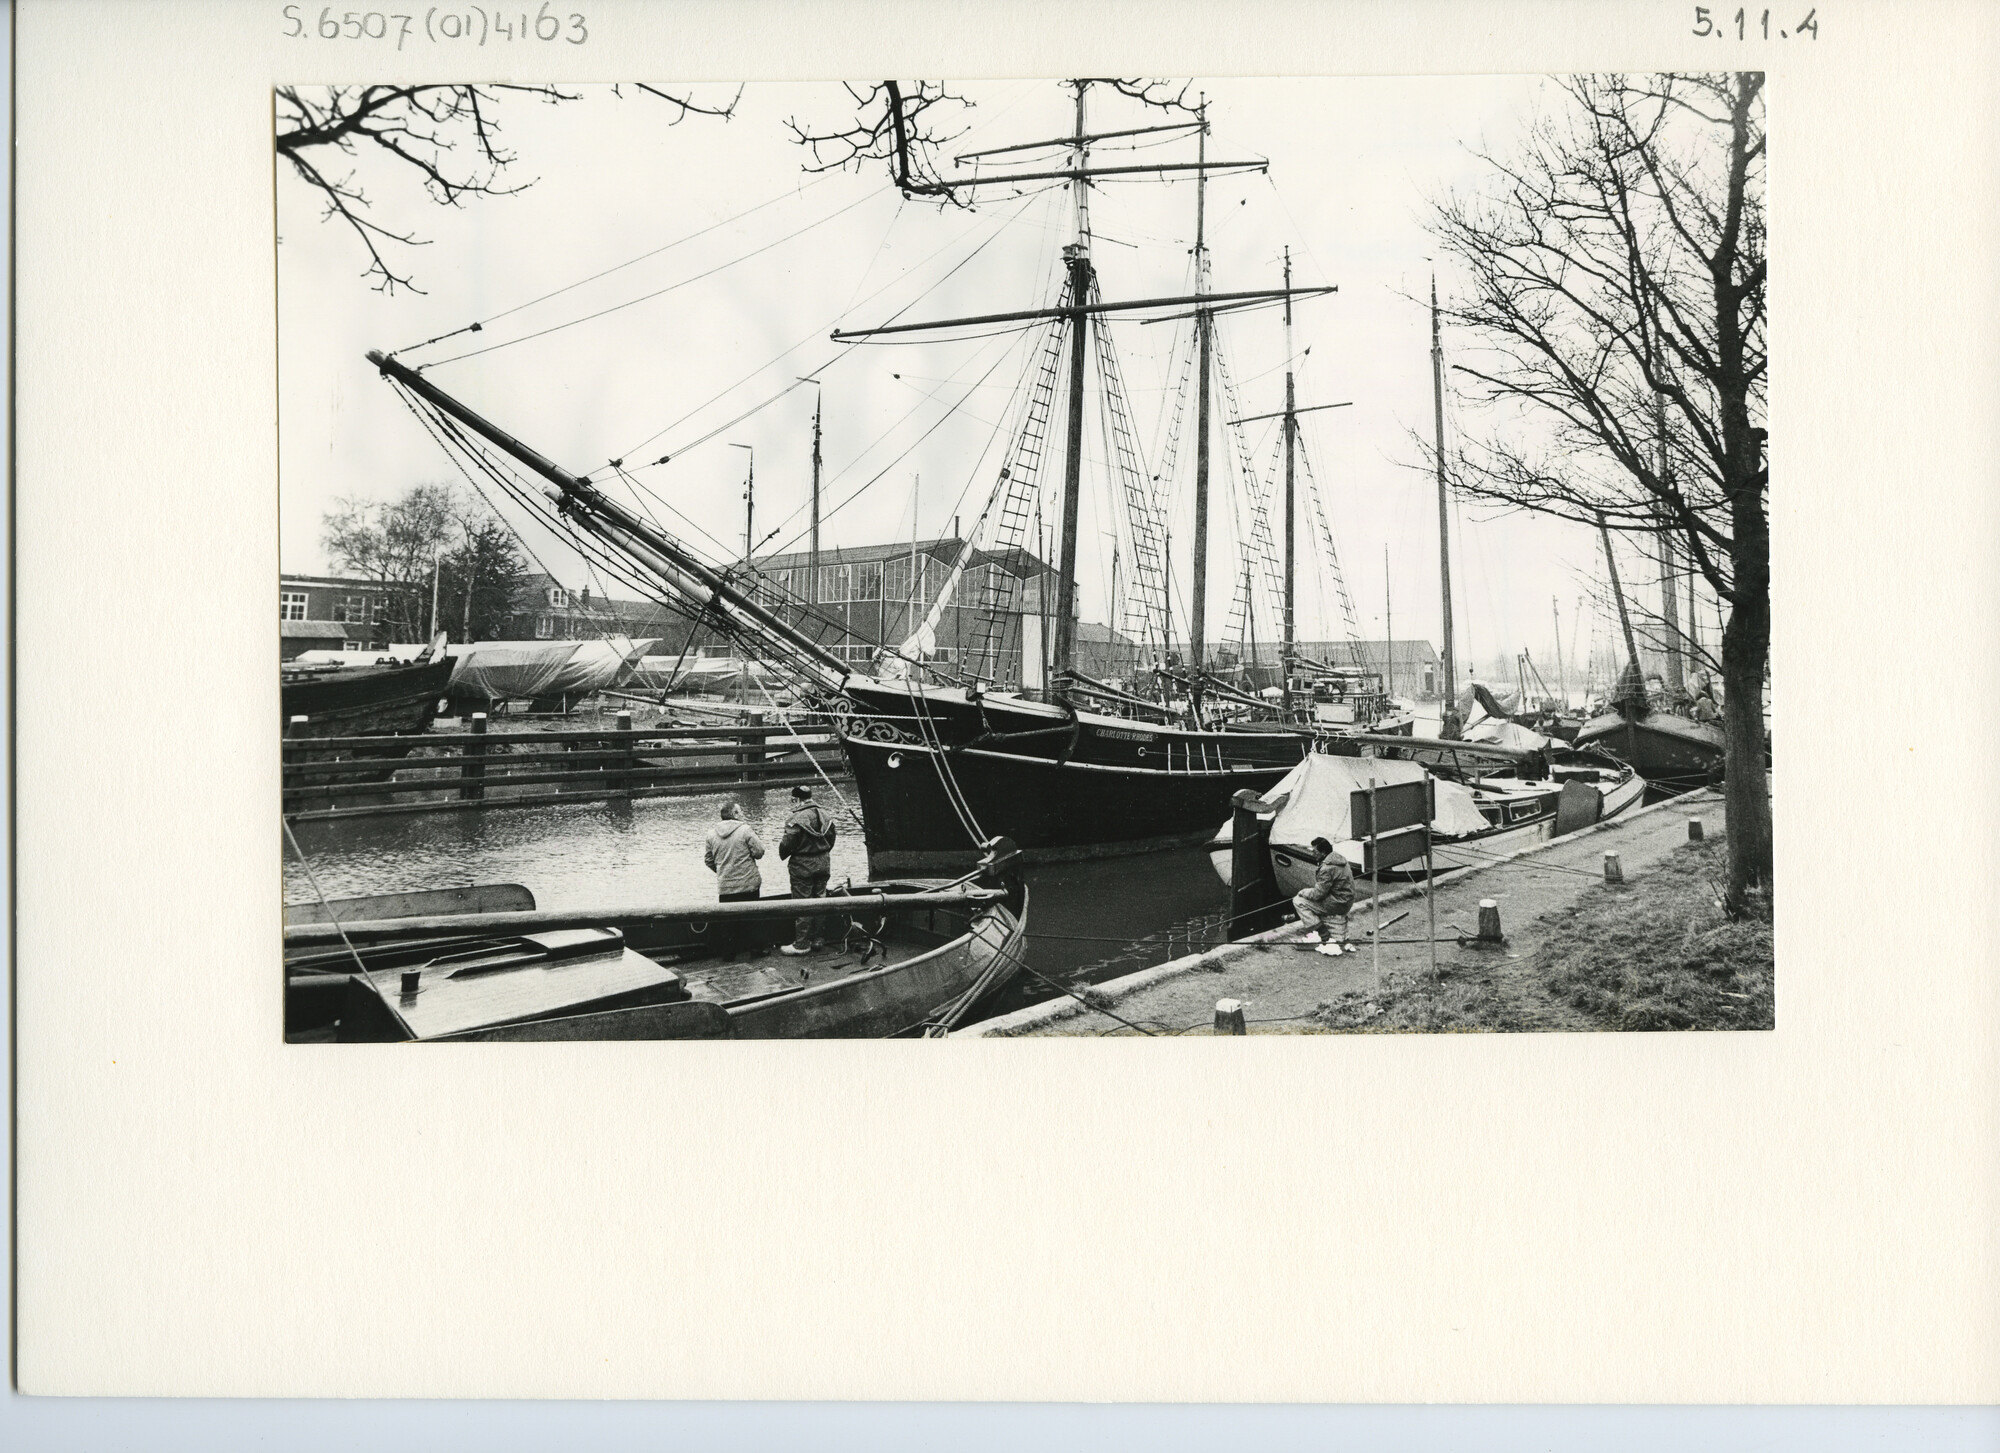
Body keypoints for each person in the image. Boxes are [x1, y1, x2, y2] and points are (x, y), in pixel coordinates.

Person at [777, 784, 838, 955]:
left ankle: (802, 944)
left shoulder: (795, 819)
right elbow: (832, 839)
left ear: (796, 799)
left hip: (802, 865)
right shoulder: (826, 814)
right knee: (820, 900)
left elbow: (787, 843)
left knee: (802, 903)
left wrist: (784, 854)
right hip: (824, 862)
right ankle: (818, 940)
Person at [1292, 836, 1357, 957]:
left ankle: (1323, 933)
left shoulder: (1327, 868)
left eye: (1315, 851)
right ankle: (1320, 927)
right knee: (1311, 902)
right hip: (1346, 900)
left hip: (1337, 903)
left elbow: (1318, 894)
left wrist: (1303, 892)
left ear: (1323, 852)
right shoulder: (1340, 860)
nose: (1313, 854)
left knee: (1298, 901)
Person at [703, 800, 765, 903]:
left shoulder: (711, 834)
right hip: (748, 884)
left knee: (729, 918)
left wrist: (723, 870)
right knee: (750, 917)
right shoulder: (745, 830)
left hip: (725, 887)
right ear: (735, 814)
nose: (742, 814)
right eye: (740, 811)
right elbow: (759, 852)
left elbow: (708, 860)